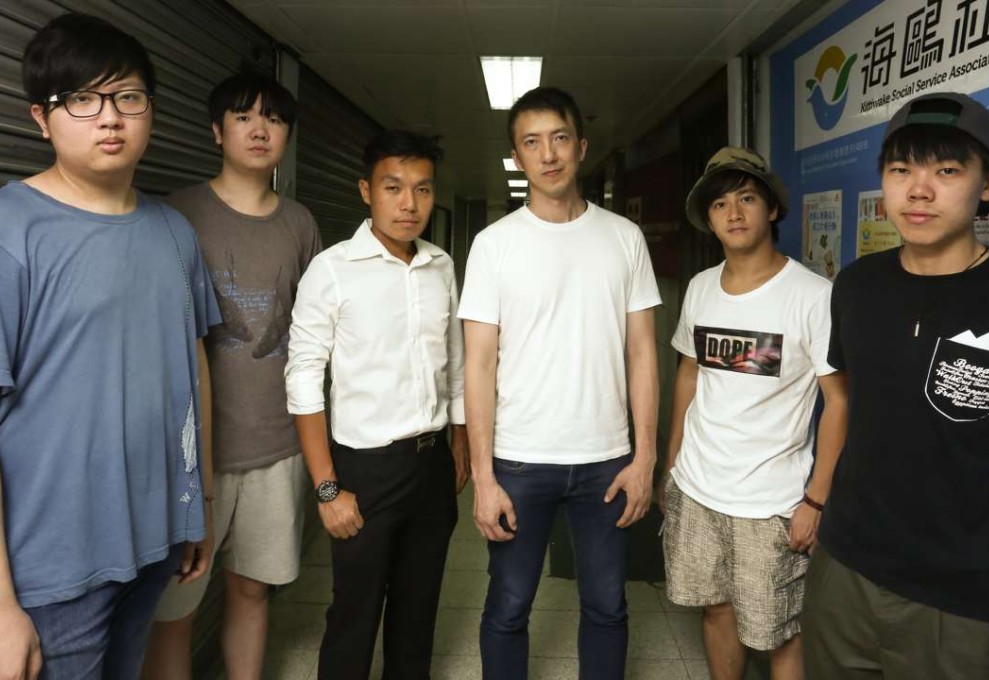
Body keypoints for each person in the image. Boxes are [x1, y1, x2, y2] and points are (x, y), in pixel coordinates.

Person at [0, 13, 219, 679]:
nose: (109, 119)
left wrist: (198, 505)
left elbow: (195, 372)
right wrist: (1, 604)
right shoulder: (12, 231)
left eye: (127, 97)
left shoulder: (174, 233)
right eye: (82, 100)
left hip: (154, 543)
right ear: (42, 118)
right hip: (50, 572)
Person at [801, 92, 989, 679]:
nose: (919, 190)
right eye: (901, 170)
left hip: (965, 601)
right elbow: (844, 402)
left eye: (947, 170)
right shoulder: (855, 285)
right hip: (846, 572)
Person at [459, 86, 661, 680]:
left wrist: (645, 455)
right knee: (509, 605)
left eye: (559, 138)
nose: (548, 154)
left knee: (607, 604)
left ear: (582, 146)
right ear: (518, 159)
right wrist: (482, 477)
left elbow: (642, 351)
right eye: (531, 143)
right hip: (519, 461)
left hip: (607, 460)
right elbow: (479, 365)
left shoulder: (624, 237)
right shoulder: (493, 246)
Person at [142, 72, 321, 680]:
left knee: (251, 590)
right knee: (174, 610)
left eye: (273, 119)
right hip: (192, 456)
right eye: (244, 116)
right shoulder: (174, 216)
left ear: (287, 137)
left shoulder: (300, 224)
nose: (259, 128)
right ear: (216, 131)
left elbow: (313, 337)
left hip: (277, 445)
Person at [284, 129, 468, 679]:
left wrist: (458, 444)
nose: (409, 204)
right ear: (367, 191)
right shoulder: (333, 269)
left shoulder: (441, 266)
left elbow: (455, 364)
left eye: (422, 189)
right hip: (365, 466)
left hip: (432, 464)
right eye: (393, 187)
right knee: (354, 614)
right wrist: (326, 487)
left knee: (419, 612)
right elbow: (302, 378)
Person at [658, 147, 847, 680]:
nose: (734, 213)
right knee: (715, 609)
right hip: (697, 488)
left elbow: (840, 401)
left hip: (771, 501)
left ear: (772, 210)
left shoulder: (813, 296)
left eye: (746, 199)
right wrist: (670, 467)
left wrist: (816, 498)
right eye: (720, 204)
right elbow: (690, 376)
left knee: (779, 631)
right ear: (709, 219)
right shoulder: (699, 288)